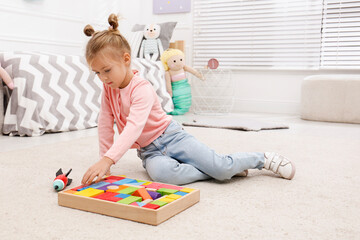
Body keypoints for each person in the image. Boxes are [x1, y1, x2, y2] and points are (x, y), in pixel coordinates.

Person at [81, 14, 296, 186]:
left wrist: (109, 158)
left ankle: (261, 159)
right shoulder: (108, 90)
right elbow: (105, 124)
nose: (103, 78)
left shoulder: (142, 89)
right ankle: (220, 172)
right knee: (164, 176)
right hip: (149, 151)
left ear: (126, 60)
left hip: (171, 137)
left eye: (106, 70)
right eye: (97, 73)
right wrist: (104, 160)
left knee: (220, 165)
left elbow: (134, 127)